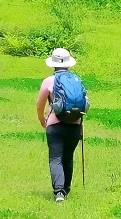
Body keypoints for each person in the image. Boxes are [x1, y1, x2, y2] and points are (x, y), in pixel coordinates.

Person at [37, 48, 88, 202]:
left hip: (55, 126)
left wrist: (43, 120)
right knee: (68, 157)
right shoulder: (77, 80)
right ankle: (66, 189)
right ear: (68, 64)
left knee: (56, 158)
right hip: (75, 126)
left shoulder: (48, 81)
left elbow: (40, 105)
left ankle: (59, 193)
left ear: (53, 64)